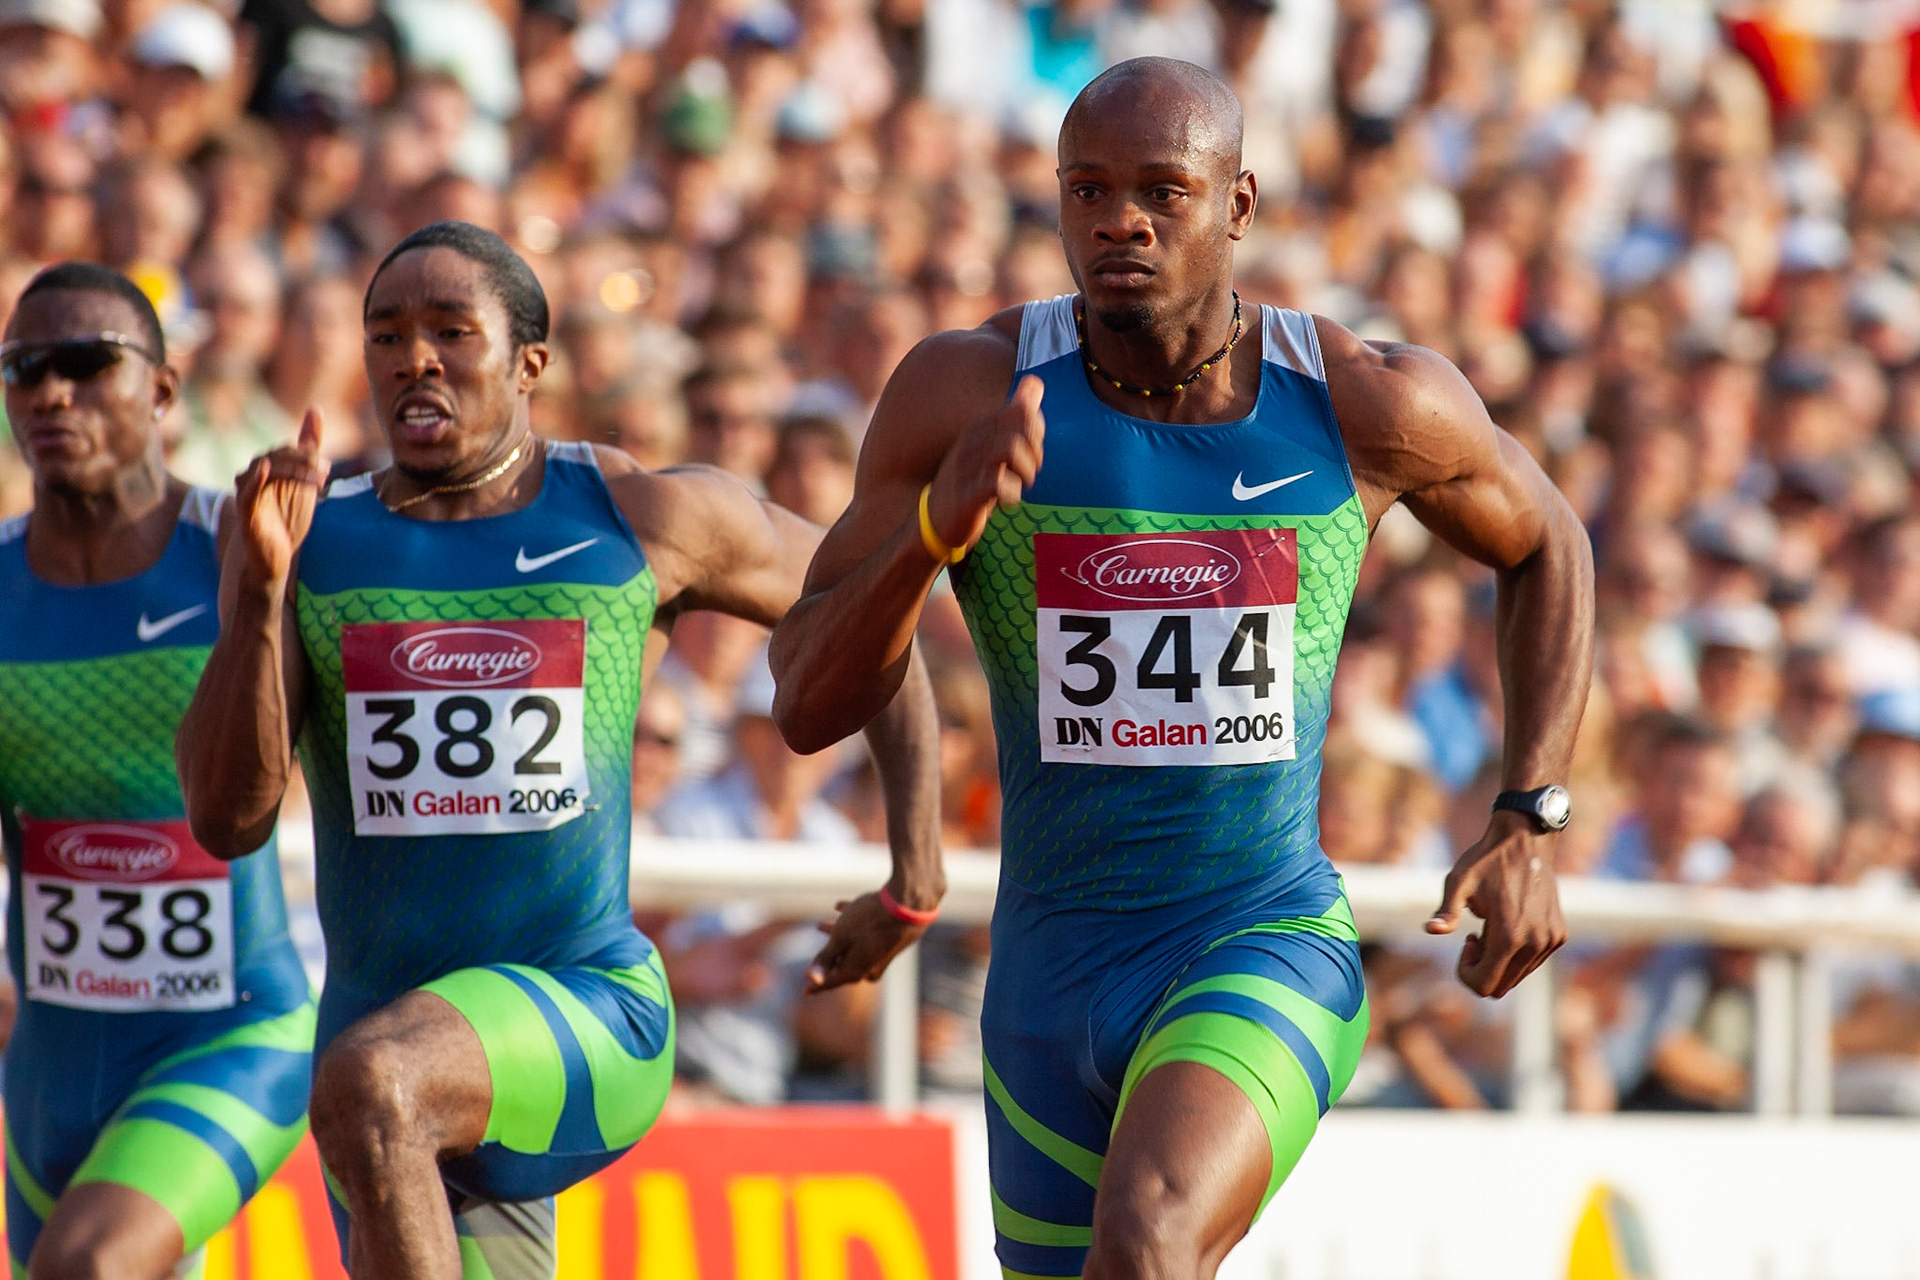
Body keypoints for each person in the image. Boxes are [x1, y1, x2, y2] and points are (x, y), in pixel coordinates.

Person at [770, 59, 1593, 1276]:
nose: (1120, 221)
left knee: (1151, 1234)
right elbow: (804, 699)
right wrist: (933, 536)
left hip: (1258, 932)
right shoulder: (969, 390)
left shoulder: (1361, 402)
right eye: (1087, 190)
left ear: (1240, 205)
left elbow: (1550, 540)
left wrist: (1532, 809)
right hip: (1048, 968)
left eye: (1163, 189)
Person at [177, 220, 941, 1279]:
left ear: (532, 362)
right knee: (382, 1094)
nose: (416, 358)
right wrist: (257, 598)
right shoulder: (306, 539)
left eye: (451, 329)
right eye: (386, 334)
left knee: (374, 1085)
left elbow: (874, 612)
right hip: (384, 1038)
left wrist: (915, 865)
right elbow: (228, 817)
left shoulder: (643, 514)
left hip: (582, 1005)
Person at [0, 263, 313, 1279]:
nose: (51, 392)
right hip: (49, 1061)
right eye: (24, 368)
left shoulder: (246, 547)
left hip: (228, 1029)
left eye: (87, 364)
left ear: (165, 391)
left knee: (87, 1268)